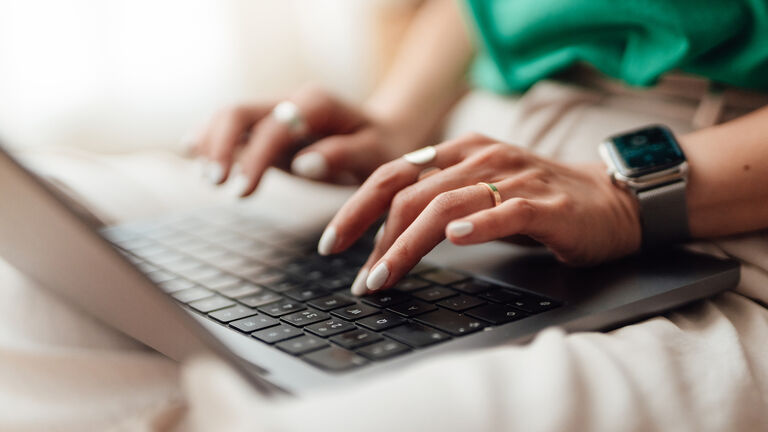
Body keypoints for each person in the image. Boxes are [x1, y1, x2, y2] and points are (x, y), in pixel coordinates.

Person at [185, 1, 768, 430]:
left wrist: (619, 194)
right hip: (464, 161)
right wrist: (394, 121)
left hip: (711, 201)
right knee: (116, 291)